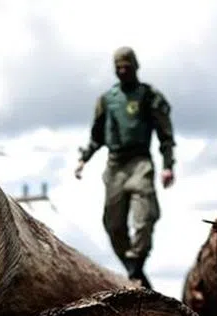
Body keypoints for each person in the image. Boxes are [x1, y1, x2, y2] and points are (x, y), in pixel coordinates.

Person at [75, 46, 175, 289]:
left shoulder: (149, 96)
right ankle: (134, 271)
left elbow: (165, 133)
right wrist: (83, 159)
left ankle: (136, 264)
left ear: (135, 67)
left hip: (140, 162)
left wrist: (167, 165)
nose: (122, 71)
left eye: (127, 67)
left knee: (145, 215)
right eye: (118, 68)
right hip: (115, 165)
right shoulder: (107, 100)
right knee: (113, 223)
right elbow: (97, 136)